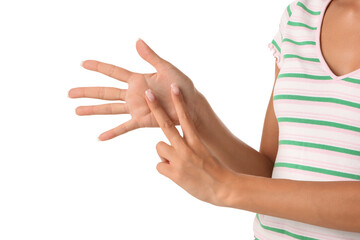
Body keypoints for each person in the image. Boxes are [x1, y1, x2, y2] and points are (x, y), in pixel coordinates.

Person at [68, 0, 360, 238]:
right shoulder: (300, 16)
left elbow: (239, 187)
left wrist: (225, 187)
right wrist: (195, 113)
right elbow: (271, 177)